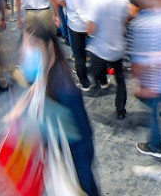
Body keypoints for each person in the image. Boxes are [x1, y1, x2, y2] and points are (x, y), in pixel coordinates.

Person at [19, 21, 100, 195]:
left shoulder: (65, 89)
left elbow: (82, 143)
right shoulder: (42, 78)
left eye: (32, 44)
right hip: (53, 165)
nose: (26, 51)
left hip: (70, 169)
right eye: (24, 44)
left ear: (49, 47)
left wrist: (83, 184)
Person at [86, 0, 130, 119]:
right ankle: (121, 110)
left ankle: (99, 82)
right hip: (118, 46)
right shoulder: (123, 0)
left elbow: (91, 29)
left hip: (99, 48)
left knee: (94, 71)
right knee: (120, 79)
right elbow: (124, 21)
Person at [56, 0, 100, 91]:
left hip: (74, 22)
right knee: (95, 52)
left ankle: (84, 82)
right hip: (92, 22)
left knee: (78, 55)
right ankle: (100, 79)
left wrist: (70, 6)